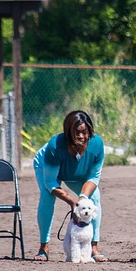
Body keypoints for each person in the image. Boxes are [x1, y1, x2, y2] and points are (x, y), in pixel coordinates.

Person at [33, 110, 107, 262]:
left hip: (75, 170)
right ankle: (44, 247)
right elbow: (50, 182)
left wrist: (82, 199)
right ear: (68, 133)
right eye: (76, 133)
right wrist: (72, 202)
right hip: (47, 167)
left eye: (85, 132)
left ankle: (93, 246)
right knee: (47, 197)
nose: (81, 137)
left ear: (90, 131)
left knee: (94, 197)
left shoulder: (97, 144)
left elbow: (93, 177)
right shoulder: (54, 146)